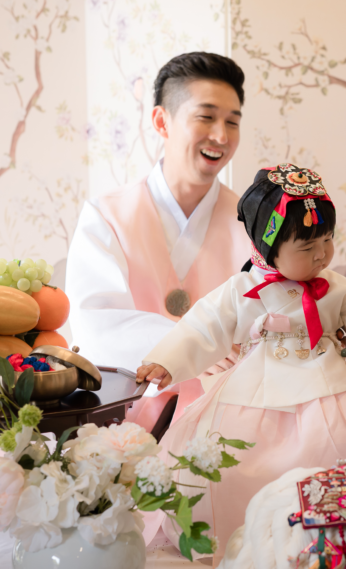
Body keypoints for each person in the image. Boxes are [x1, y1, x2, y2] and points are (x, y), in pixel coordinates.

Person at [135, 163, 346, 550]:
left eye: (327, 240)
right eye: (307, 248)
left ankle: (340, 540)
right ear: (268, 249)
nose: (323, 255)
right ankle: (253, 542)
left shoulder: (335, 287)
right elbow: (203, 327)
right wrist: (166, 361)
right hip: (254, 387)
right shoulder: (243, 289)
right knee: (233, 465)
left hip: (330, 386)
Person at [65, 52, 250, 428]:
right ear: (162, 121)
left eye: (232, 122)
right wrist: (195, 345)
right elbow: (96, 324)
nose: (221, 136)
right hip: (127, 409)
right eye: (206, 116)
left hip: (230, 409)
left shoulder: (252, 222)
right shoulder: (106, 216)